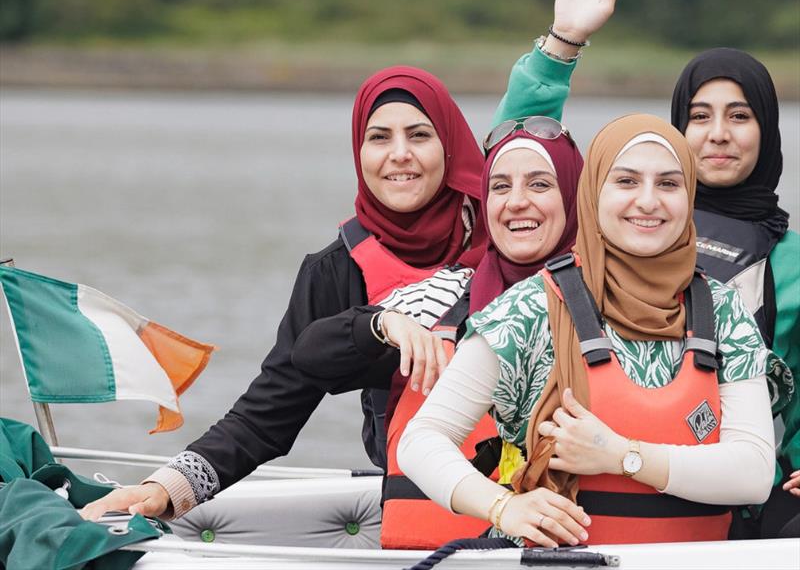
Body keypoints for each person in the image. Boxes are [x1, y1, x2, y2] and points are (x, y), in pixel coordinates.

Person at [81, 64, 489, 521]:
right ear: (359, 152)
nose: (399, 154)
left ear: (450, 146)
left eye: (419, 136)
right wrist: (165, 489)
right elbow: (269, 413)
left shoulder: (508, 234)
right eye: (379, 138)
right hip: (420, 512)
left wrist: (562, 42)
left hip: (536, 498)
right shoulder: (335, 270)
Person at [398, 114, 792, 547]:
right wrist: (503, 506)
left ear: (690, 196)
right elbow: (421, 440)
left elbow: (753, 473)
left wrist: (621, 455)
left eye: (668, 184)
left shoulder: (723, 310)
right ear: (592, 194)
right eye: (625, 182)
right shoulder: (531, 309)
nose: (647, 201)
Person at [294, 121, 583, 549]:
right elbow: (308, 355)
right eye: (500, 187)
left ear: (576, 196)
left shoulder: (614, 305)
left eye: (540, 184)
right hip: (441, 553)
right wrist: (382, 324)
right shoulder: (445, 294)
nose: (517, 202)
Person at [671, 49, 800, 538]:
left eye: (739, 116)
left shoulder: (792, 260)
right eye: (699, 116)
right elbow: (523, 160)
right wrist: (562, 46)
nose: (718, 133)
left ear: (766, 129)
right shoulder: (625, 232)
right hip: (629, 476)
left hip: (747, 502)